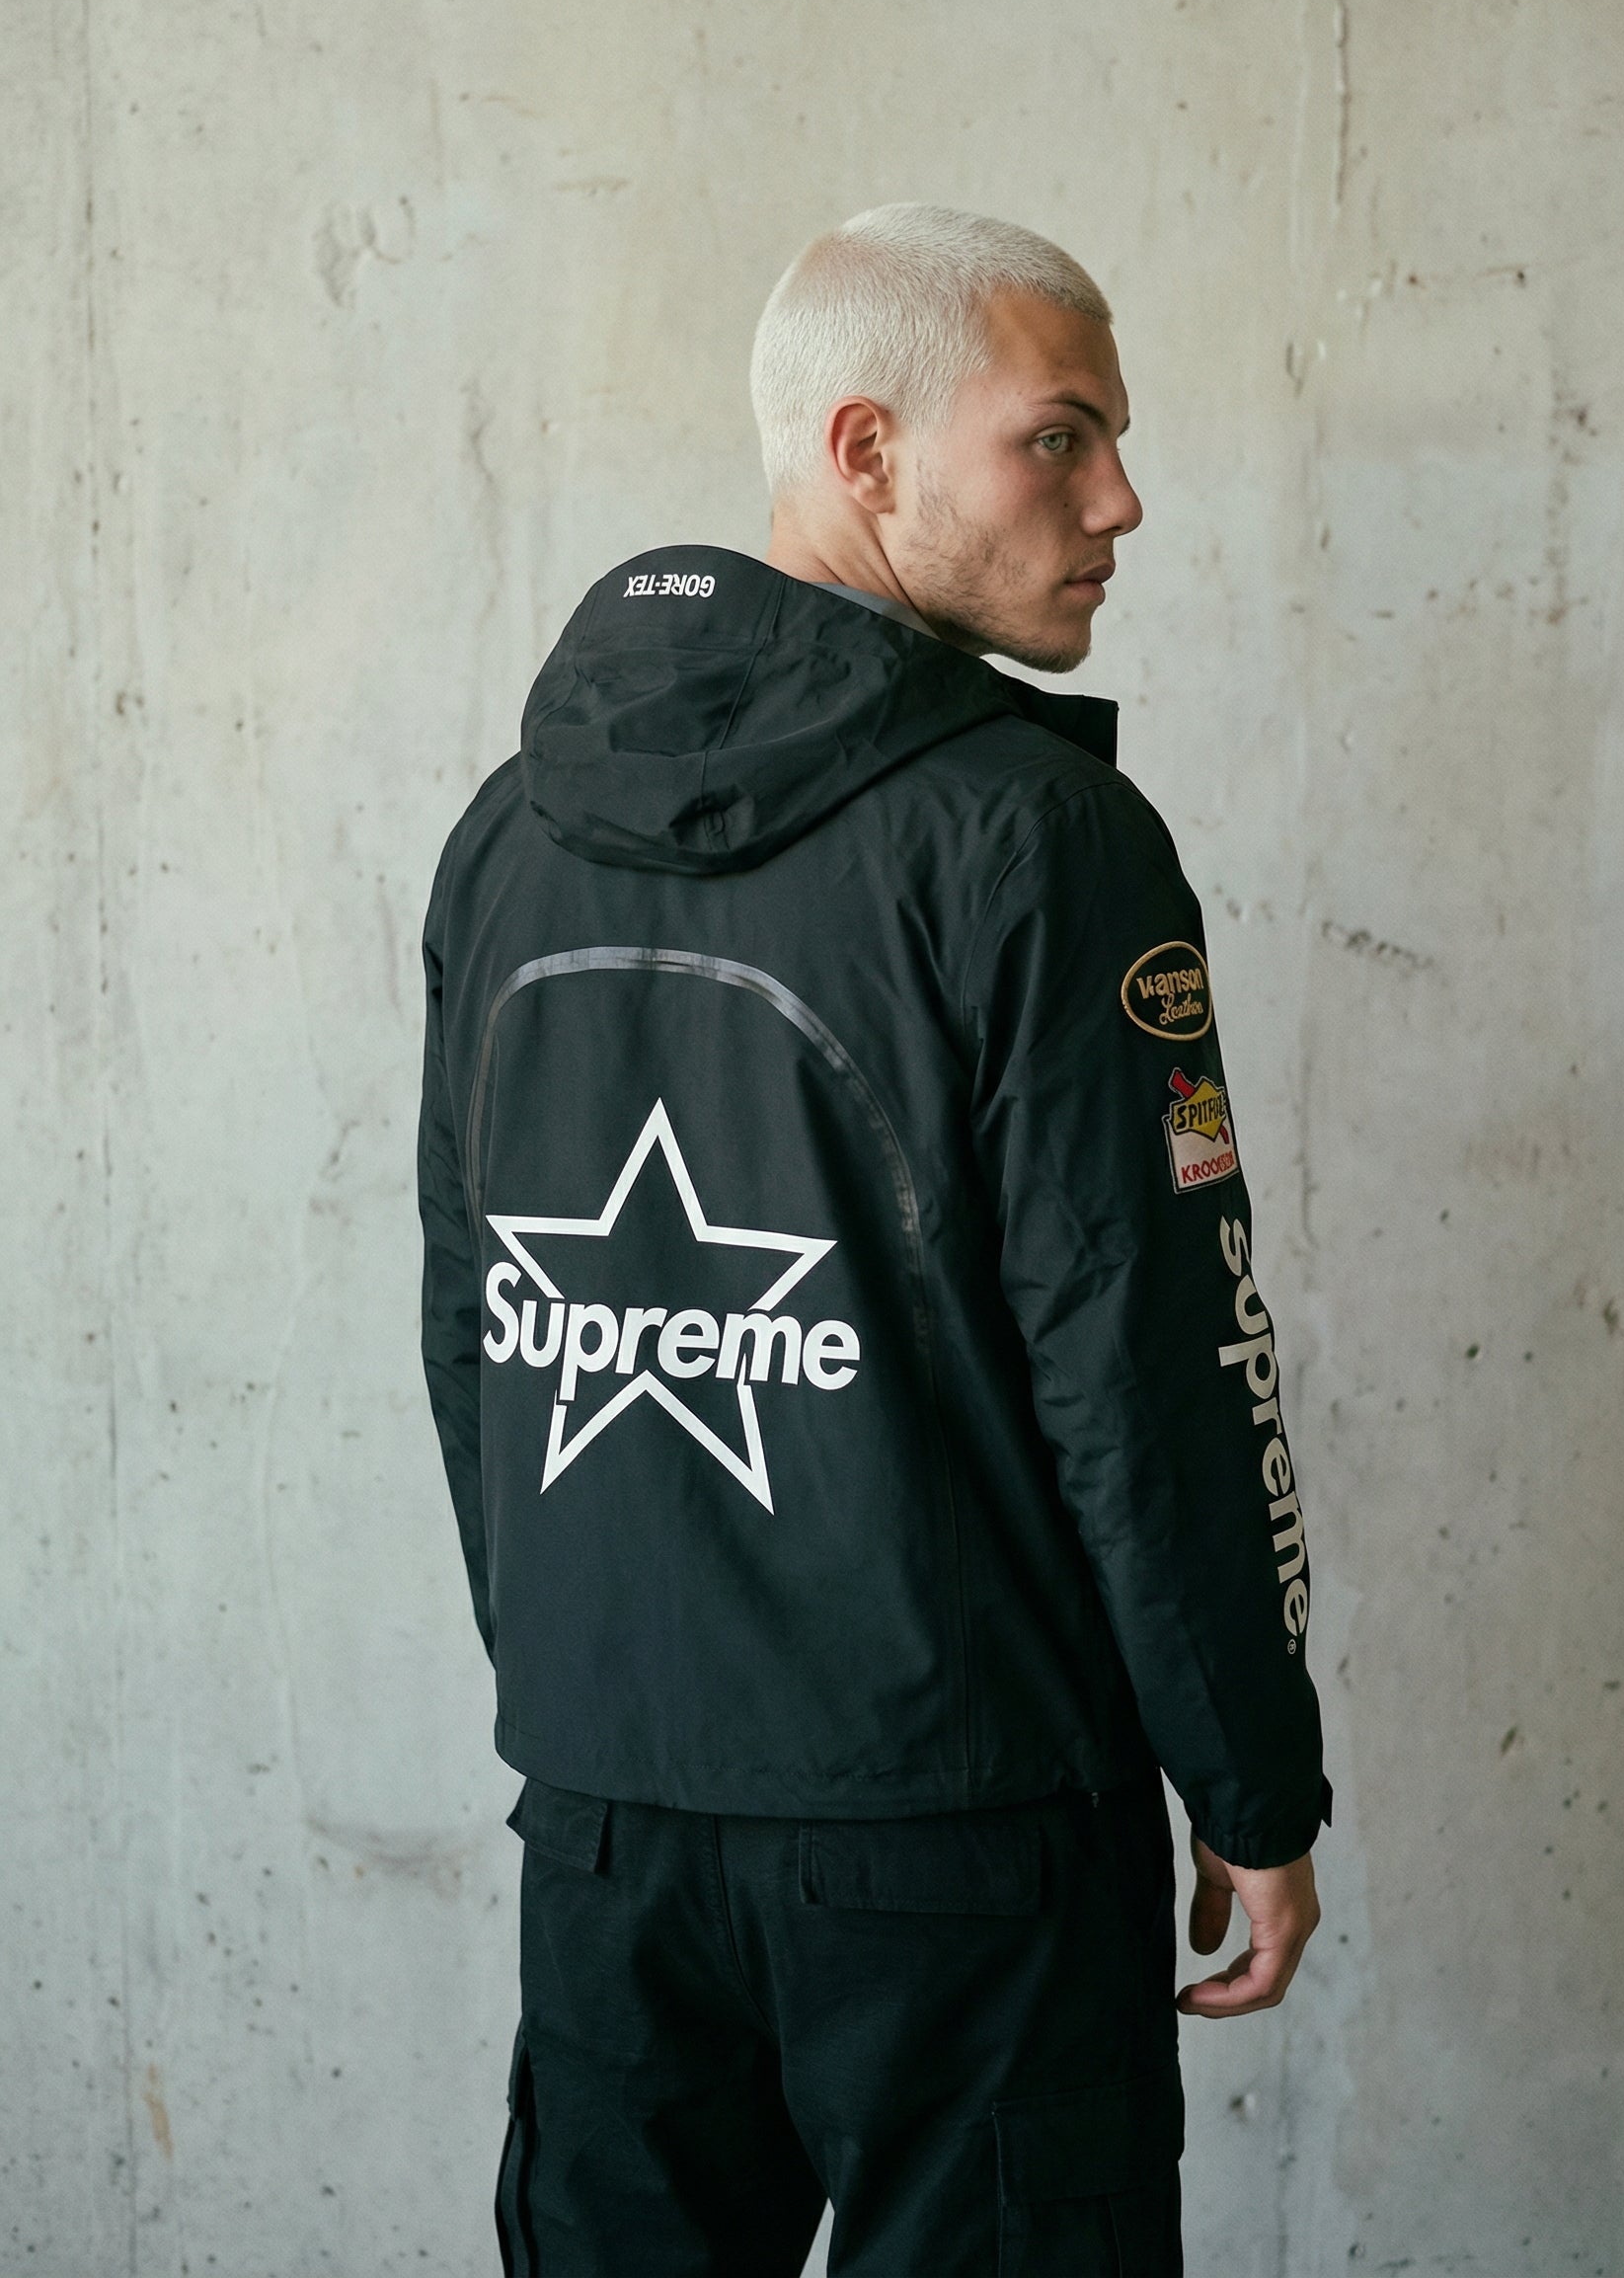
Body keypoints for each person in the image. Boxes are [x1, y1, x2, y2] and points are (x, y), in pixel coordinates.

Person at [418, 202, 1328, 2276]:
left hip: (608, 1827)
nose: (1119, 500)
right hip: (966, 1838)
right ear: (864, 450)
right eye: (1058, 437)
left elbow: (473, 1327)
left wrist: (588, 1702)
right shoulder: (1038, 836)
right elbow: (1154, 1364)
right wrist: (1250, 1781)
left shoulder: (508, 831)